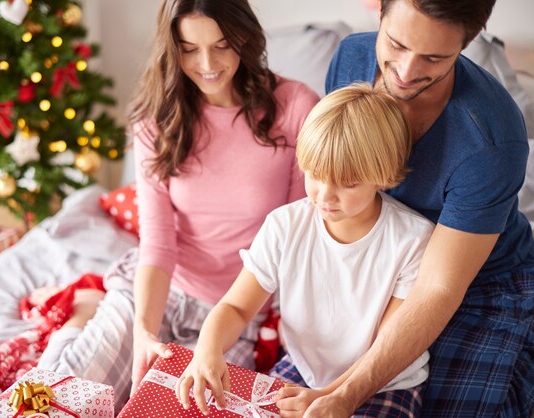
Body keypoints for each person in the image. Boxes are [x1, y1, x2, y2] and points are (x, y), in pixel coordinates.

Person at [36, 0, 319, 410]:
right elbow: (158, 240)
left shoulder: (295, 106)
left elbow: (297, 231)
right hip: (155, 293)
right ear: (172, 48)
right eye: (189, 48)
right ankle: (85, 314)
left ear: (245, 37)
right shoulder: (156, 117)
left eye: (222, 45)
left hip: (234, 314)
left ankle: (86, 314)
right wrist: (144, 332)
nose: (207, 63)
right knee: (58, 400)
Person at [285, 0, 534, 416]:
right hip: (382, 260)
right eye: (396, 44)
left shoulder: (491, 138)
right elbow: (340, 171)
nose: (404, 70)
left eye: (434, 58)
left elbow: (438, 289)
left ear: (467, 42)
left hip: (480, 281)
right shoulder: (350, 57)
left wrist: (346, 394)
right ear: (379, 11)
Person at [177, 83, 435, 418]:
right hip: (304, 369)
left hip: (384, 382)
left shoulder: (413, 239)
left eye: (348, 182)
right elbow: (237, 307)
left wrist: (329, 397)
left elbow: (384, 350)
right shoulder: (285, 226)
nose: (325, 196)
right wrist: (207, 349)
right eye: (315, 174)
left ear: (383, 175)